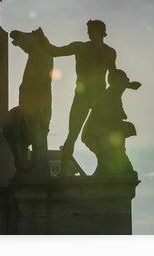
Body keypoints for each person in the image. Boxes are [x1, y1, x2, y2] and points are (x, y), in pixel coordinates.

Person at [38, 20, 116, 175]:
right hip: (83, 95)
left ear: (99, 31)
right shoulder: (80, 47)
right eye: (87, 30)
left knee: (105, 134)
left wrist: (123, 85)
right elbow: (54, 51)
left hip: (100, 97)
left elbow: (112, 77)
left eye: (90, 30)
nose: (88, 32)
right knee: (72, 134)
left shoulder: (110, 52)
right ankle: (63, 172)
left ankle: (106, 167)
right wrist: (43, 40)